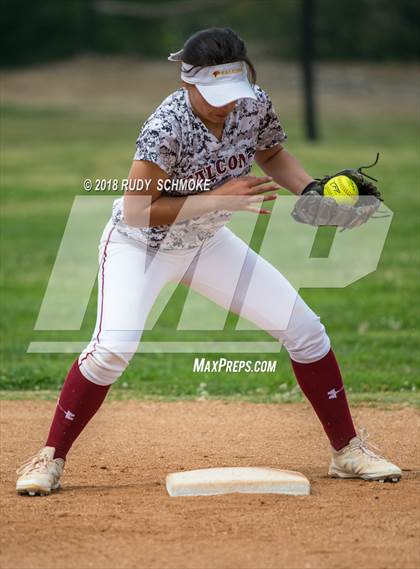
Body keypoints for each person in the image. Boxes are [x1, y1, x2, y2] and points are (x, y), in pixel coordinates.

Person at [16, 27, 401, 496]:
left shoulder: (252, 103)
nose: (226, 104)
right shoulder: (167, 126)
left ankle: (347, 450)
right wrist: (214, 197)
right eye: (213, 93)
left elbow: (272, 151)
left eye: (232, 92)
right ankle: (49, 457)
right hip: (140, 246)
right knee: (113, 349)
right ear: (187, 84)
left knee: (304, 330)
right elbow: (138, 209)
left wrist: (310, 190)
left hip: (206, 243)